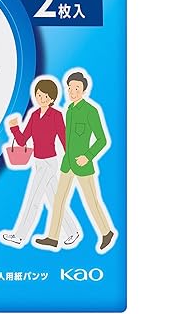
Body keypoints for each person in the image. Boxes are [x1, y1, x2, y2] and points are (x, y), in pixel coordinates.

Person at [35, 71, 115, 253]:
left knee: (91, 201)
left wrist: (88, 156)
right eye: (70, 88)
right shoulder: (69, 110)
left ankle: (106, 232)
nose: (72, 91)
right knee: (58, 200)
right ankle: (53, 237)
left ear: (84, 90)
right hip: (67, 163)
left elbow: (102, 140)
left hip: (83, 165)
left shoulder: (90, 111)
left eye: (77, 88)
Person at [1, 77, 80, 248]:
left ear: (52, 98)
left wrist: (71, 160)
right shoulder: (34, 115)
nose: (41, 98)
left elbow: (64, 138)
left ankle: (19, 236)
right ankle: (72, 232)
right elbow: (22, 141)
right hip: (38, 162)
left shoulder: (56, 115)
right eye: (39, 95)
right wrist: (14, 127)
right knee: (54, 200)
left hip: (50, 162)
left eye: (45, 96)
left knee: (33, 199)